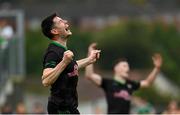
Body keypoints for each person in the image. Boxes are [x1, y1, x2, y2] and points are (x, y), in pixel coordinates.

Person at [41, 13, 100, 114]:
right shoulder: (53, 52)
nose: (66, 22)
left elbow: (71, 67)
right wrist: (64, 62)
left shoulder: (63, 51)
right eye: (61, 21)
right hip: (60, 109)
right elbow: (45, 80)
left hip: (70, 108)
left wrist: (89, 59)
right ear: (54, 31)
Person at [85, 43, 162, 114]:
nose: (127, 69)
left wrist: (157, 68)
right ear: (116, 68)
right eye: (124, 66)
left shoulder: (130, 84)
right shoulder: (108, 83)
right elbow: (89, 75)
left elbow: (147, 83)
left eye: (128, 66)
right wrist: (90, 56)